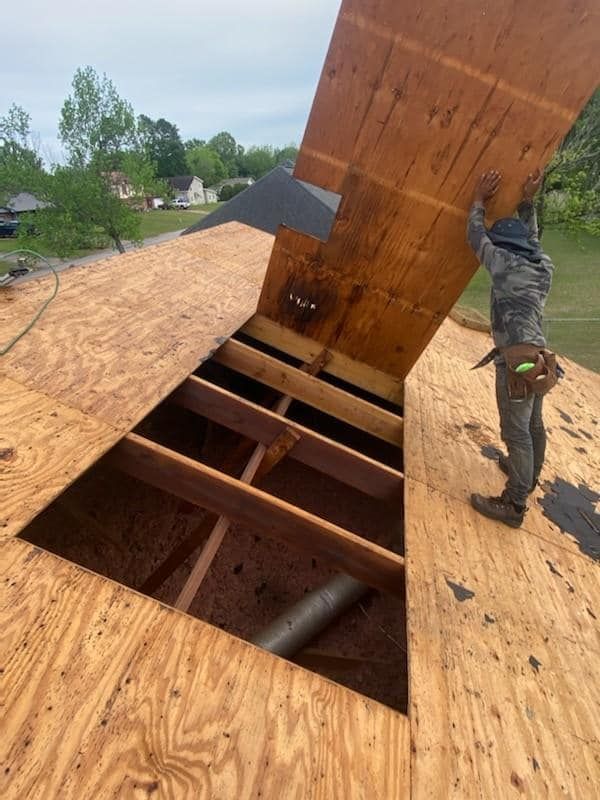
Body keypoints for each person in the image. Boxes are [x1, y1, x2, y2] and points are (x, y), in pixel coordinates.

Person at [467, 169, 556, 527]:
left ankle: (514, 505)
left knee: (517, 433)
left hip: (517, 362)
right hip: (539, 358)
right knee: (533, 425)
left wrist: (478, 200)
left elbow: (476, 237)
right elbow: (531, 239)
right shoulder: (541, 266)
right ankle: (527, 476)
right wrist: (528, 202)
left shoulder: (503, 265)